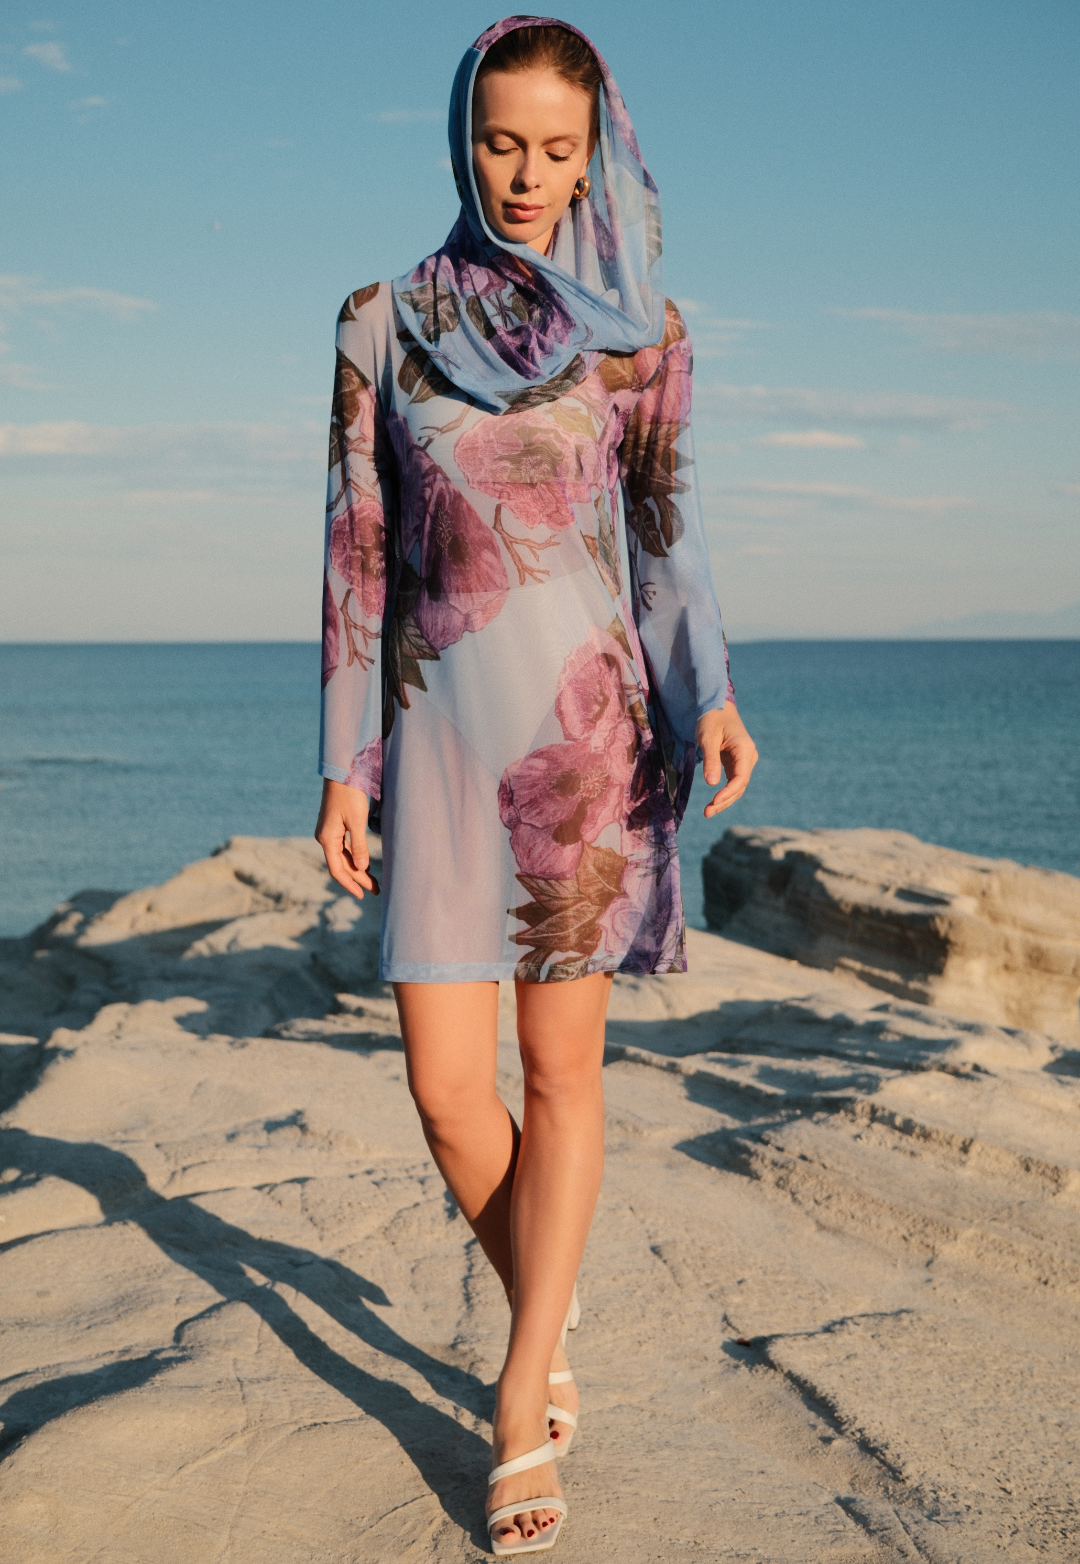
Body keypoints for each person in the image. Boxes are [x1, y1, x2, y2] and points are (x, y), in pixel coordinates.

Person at [315, 16, 758, 1554]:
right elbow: (358, 561)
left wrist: (709, 697)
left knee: (564, 1079)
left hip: (594, 746)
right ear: (462, 133)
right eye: (502, 141)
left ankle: (521, 1398)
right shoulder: (383, 321)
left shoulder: (644, 334)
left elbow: (666, 534)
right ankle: (546, 1309)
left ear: (598, 152)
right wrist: (342, 767)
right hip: (438, 745)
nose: (526, 174)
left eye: (557, 150)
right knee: (448, 1093)